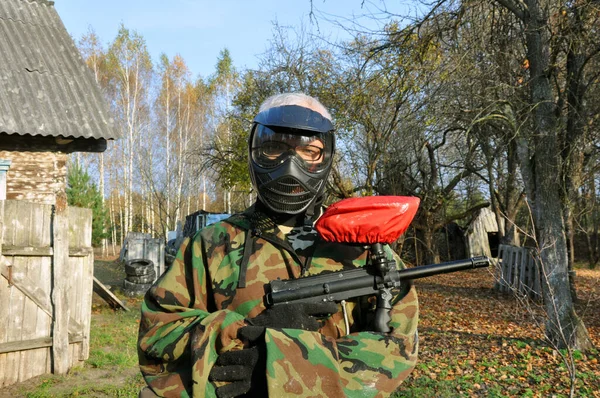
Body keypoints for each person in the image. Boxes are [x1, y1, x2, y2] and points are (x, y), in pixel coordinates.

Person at [137, 93, 419, 397]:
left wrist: (279, 366)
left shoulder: (360, 245)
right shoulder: (210, 245)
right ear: (255, 151)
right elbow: (157, 334)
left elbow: (397, 350)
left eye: (309, 150)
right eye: (274, 148)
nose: (290, 163)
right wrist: (242, 332)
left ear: (325, 158)